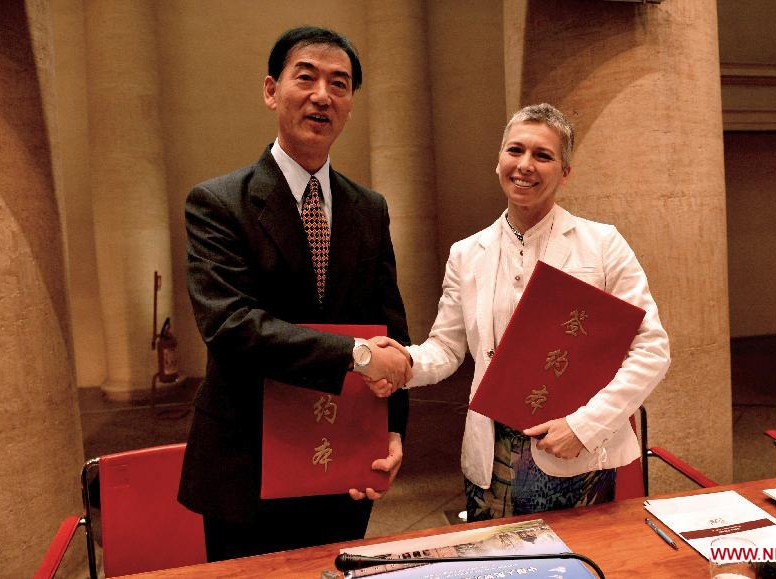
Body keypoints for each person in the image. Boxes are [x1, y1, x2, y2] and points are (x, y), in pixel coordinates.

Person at [178, 26, 413, 561]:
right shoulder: (217, 202)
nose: (322, 95)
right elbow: (230, 324)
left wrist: (391, 434)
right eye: (305, 78)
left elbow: (390, 330)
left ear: (351, 104)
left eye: (340, 83)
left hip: (342, 459)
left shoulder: (368, 207)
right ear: (271, 90)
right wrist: (356, 356)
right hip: (249, 465)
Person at [375, 103, 670, 520]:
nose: (525, 165)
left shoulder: (602, 245)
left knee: (574, 565)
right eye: (515, 150)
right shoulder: (467, 253)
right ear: (499, 160)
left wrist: (585, 426)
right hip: (489, 456)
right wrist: (404, 362)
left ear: (565, 172)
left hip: (574, 451)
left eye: (543, 155)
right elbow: (446, 347)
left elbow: (652, 348)